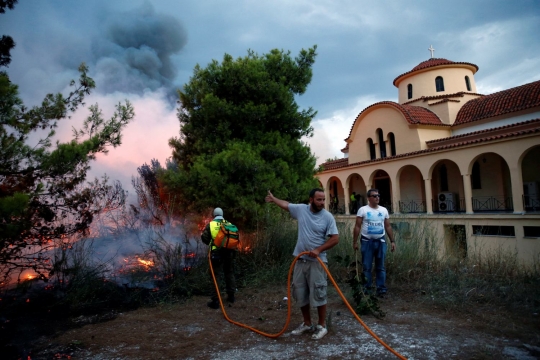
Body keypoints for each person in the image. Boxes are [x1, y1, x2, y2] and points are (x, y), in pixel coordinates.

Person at [265, 188, 339, 340]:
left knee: (319, 292)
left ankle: (321, 325)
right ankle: (307, 323)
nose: (322, 202)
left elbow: (335, 238)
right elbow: (287, 205)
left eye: (323, 199)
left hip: (317, 263)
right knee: (300, 293)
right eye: (319, 199)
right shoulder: (301, 210)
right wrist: (274, 199)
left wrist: (318, 249)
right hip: (300, 260)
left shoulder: (328, 217)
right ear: (311, 199)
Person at [353, 189, 395, 297]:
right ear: (369, 198)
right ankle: (367, 290)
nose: (377, 197)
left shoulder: (384, 210)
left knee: (380, 267)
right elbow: (357, 226)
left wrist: (392, 241)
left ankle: (381, 289)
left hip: (381, 241)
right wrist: (355, 242)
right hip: (367, 242)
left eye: (378, 195)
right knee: (367, 267)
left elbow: (388, 226)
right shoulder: (363, 210)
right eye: (374, 196)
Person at [201, 207, 237, 309]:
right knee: (229, 273)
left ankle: (215, 301)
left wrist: (212, 244)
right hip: (229, 253)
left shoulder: (211, 224)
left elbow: (204, 238)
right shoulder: (228, 224)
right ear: (222, 214)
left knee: (215, 276)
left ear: (214, 215)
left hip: (216, 254)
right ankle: (231, 296)